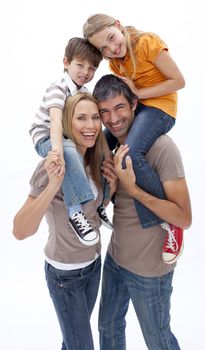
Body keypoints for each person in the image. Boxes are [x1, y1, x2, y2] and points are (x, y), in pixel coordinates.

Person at [92, 74, 192, 349]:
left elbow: (184, 218)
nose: (113, 118)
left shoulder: (162, 148)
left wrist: (134, 189)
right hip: (116, 258)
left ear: (134, 103)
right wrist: (112, 188)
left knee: (157, 340)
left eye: (119, 107)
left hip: (150, 269)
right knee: (108, 328)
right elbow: (114, 207)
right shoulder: (109, 147)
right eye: (105, 112)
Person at [13, 92, 116, 350]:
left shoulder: (94, 159)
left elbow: (94, 212)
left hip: (93, 265)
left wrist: (111, 189)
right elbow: (20, 230)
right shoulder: (53, 165)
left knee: (72, 342)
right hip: (64, 275)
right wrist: (53, 186)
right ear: (68, 123)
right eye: (81, 118)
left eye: (95, 118)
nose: (91, 126)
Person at [83, 14, 185, 263]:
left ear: (118, 25)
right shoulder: (115, 62)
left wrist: (139, 92)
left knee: (131, 152)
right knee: (99, 146)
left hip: (161, 109)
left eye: (111, 38)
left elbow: (178, 81)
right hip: (139, 109)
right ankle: (101, 203)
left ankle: (169, 221)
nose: (111, 49)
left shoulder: (147, 43)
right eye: (103, 49)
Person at [29, 37, 112, 248]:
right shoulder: (57, 89)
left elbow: (90, 120)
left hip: (65, 136)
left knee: (100, 146)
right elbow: (56, 121)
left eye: (92, 68)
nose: (85, 72)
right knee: (69, 151)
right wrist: (58, 152)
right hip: (46, 136)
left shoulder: (84, 93)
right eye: (80, 65)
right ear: (66, 62)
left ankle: (99, 205)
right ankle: (76, 212)